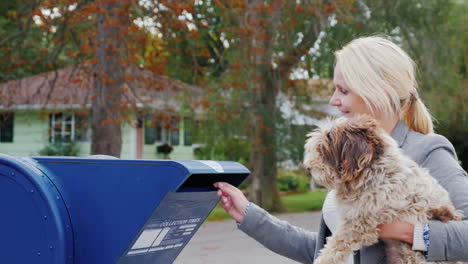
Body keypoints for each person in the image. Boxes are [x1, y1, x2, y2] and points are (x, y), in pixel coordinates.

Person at [213, 36, 468, 263]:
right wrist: (249, 215)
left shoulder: (427, 151)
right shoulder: (349, 156)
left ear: (379, 92)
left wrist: (406, 231)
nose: (333, 100)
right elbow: (323, 249)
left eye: (343, 90)